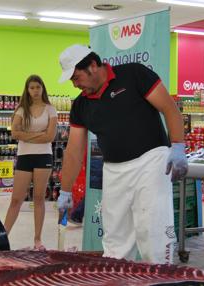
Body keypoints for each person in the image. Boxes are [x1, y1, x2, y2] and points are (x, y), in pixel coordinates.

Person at [56, 44, 188, 264]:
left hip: (151, 162)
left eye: (76, 77)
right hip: (114, 170)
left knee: (152, 231)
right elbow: (74, 151)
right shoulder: (80, 105)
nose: (75, 84)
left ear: (92, 65)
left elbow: (169, 108)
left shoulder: (134, 74)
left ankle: (161, 277)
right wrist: (65, 191)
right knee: (115, 238)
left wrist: (178, 145)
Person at [3, 75, 57, 249]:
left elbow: (50, 136)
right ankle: (3, 237)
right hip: (24, 156)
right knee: (16, 199)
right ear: (27, 90)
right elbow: (14, 134)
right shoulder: (21, 110)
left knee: (39, 198)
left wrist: (27, 135)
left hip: (44, 157)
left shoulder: (51, 109)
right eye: (32, 87)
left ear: (43, 89)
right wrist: (39, 134)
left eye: (38, 87)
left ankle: (37, 239)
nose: (35, 90)